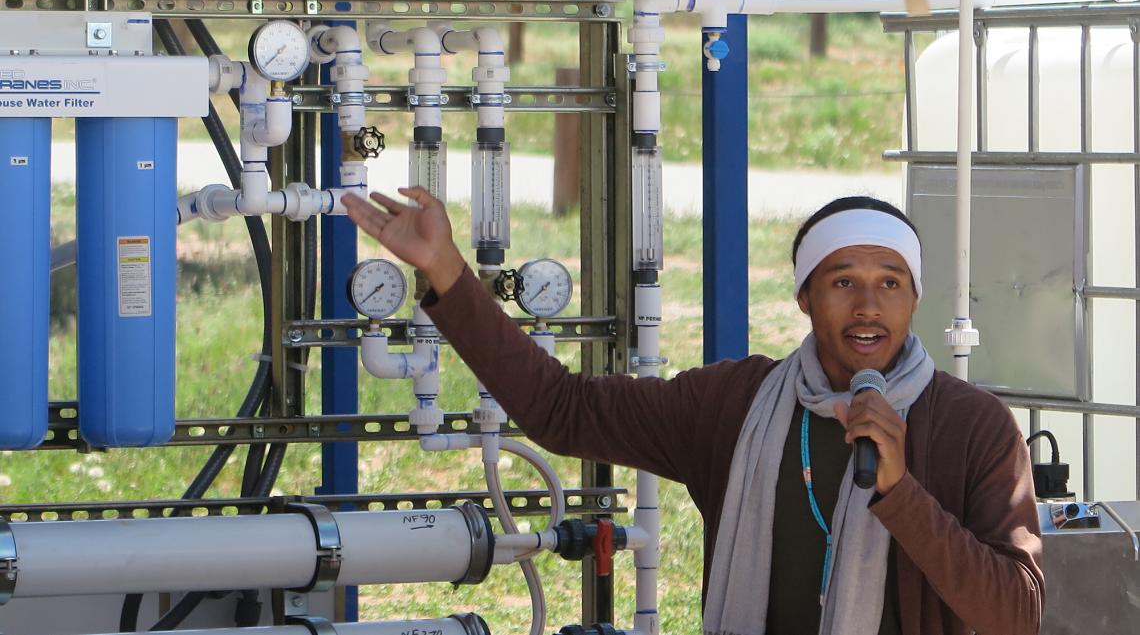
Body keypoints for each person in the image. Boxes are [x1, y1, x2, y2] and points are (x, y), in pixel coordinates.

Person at [342, 187, 1044, 635]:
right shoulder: (735, 404)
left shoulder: (972, 425)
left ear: (915, 297)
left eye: (890, 282)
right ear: (804, 297)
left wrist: (901, 491)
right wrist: (447, 274)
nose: (868, 306)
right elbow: (562, 409)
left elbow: (1015, 612)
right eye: (842, 282)